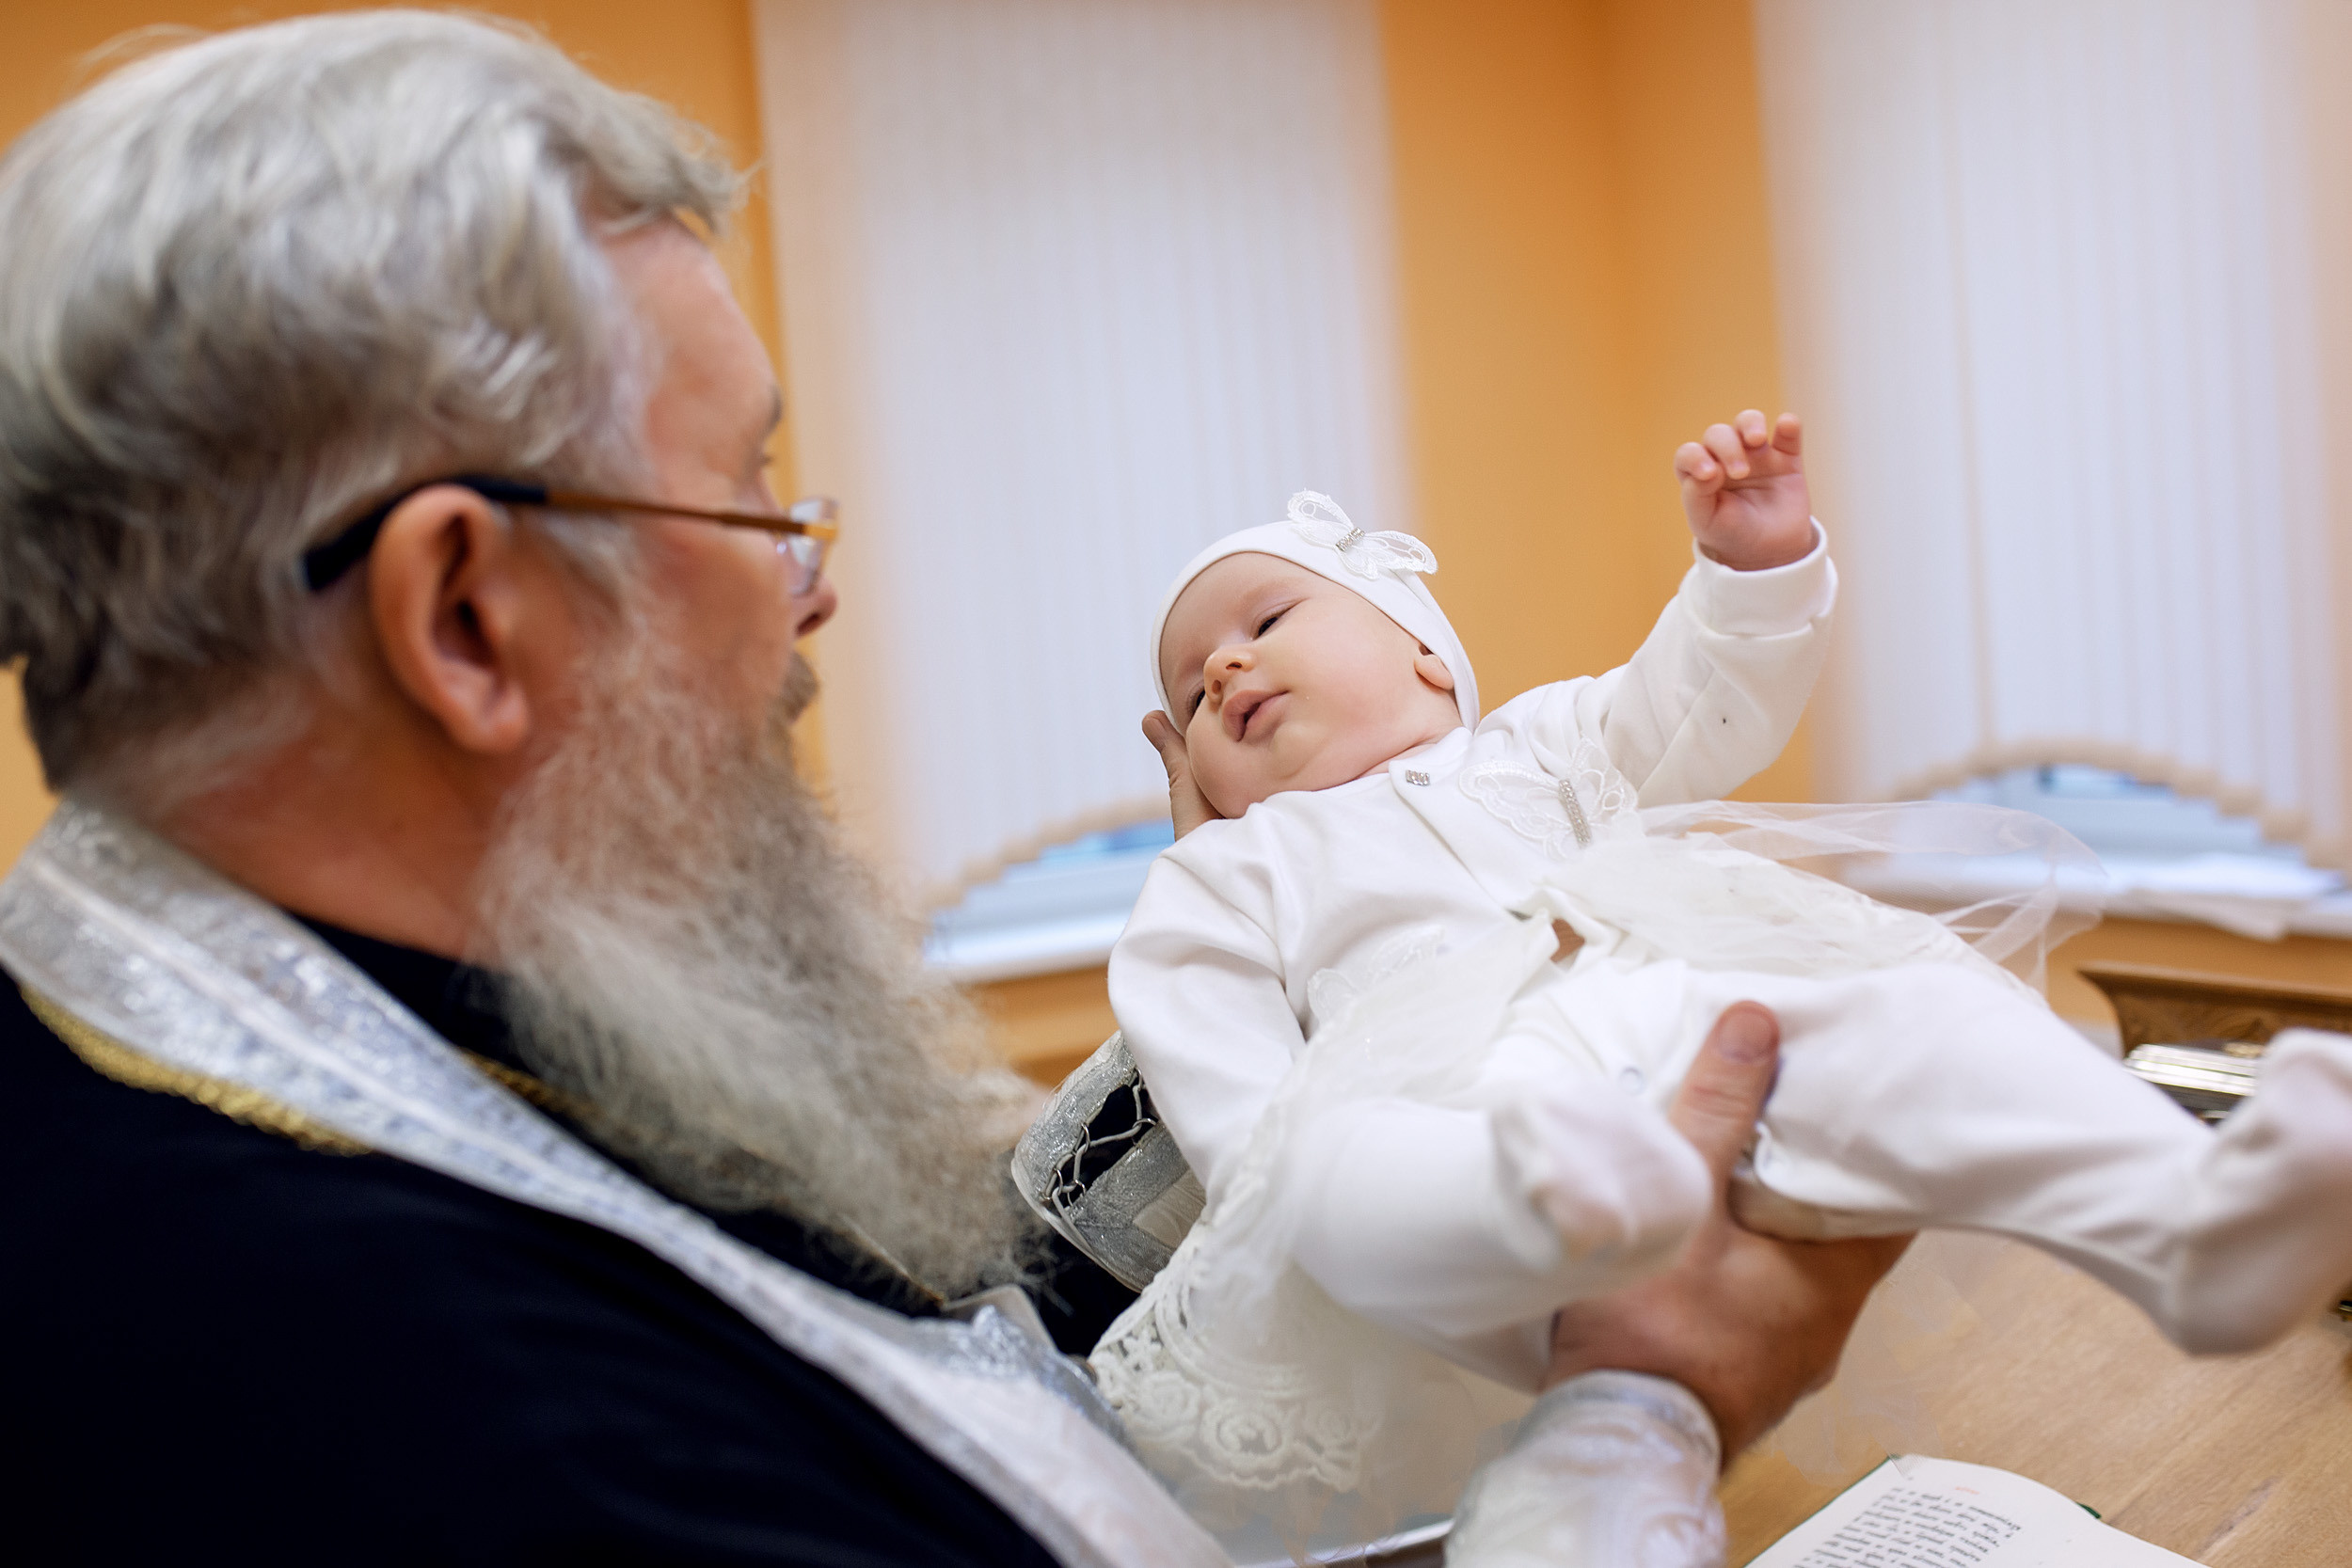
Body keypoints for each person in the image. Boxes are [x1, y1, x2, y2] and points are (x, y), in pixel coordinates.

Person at [0, 12, 1908, 1564]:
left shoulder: (396, 984)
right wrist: (1643, 1427)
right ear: (468, 619)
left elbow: (972, 1333)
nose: (811, 576)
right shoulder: (454, 1426)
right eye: (746, 495)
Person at [1104, 428, 2352, 1549]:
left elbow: (1697, 703)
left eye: (1263, 622)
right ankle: (1553, 1204)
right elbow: (1244, 1126)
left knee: (1921, 1011)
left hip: (1699, 1018)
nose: (1220, 673)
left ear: (1428, 658)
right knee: (1324, 1170)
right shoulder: (1224, 876)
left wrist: (1752, 572)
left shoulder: (1542, 745)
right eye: (1188, 690)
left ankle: (2191, 1224)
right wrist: (1305, 1128)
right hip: (1465, 1112)